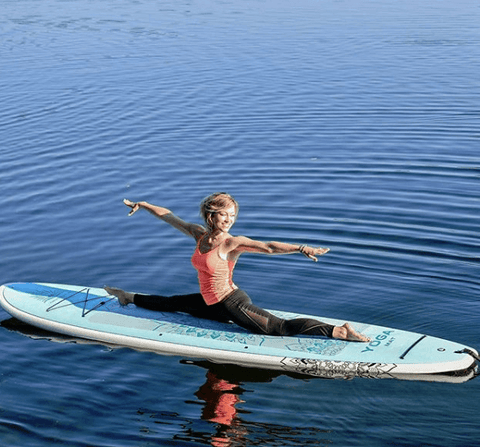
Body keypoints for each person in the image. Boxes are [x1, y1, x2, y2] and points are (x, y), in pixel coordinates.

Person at [105, 192, 369, 342]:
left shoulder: (232, 243)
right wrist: (145, 204)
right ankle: (127, 297)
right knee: (175, 302)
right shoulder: (200, 235)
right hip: (212, 303)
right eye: (224, 215)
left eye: (232, 216)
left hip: (232, 302)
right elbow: (170, 216)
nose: (229, 220)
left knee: (280, 329)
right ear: (211, 215)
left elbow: (268, 247)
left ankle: (340, 330)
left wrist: (301, 248)